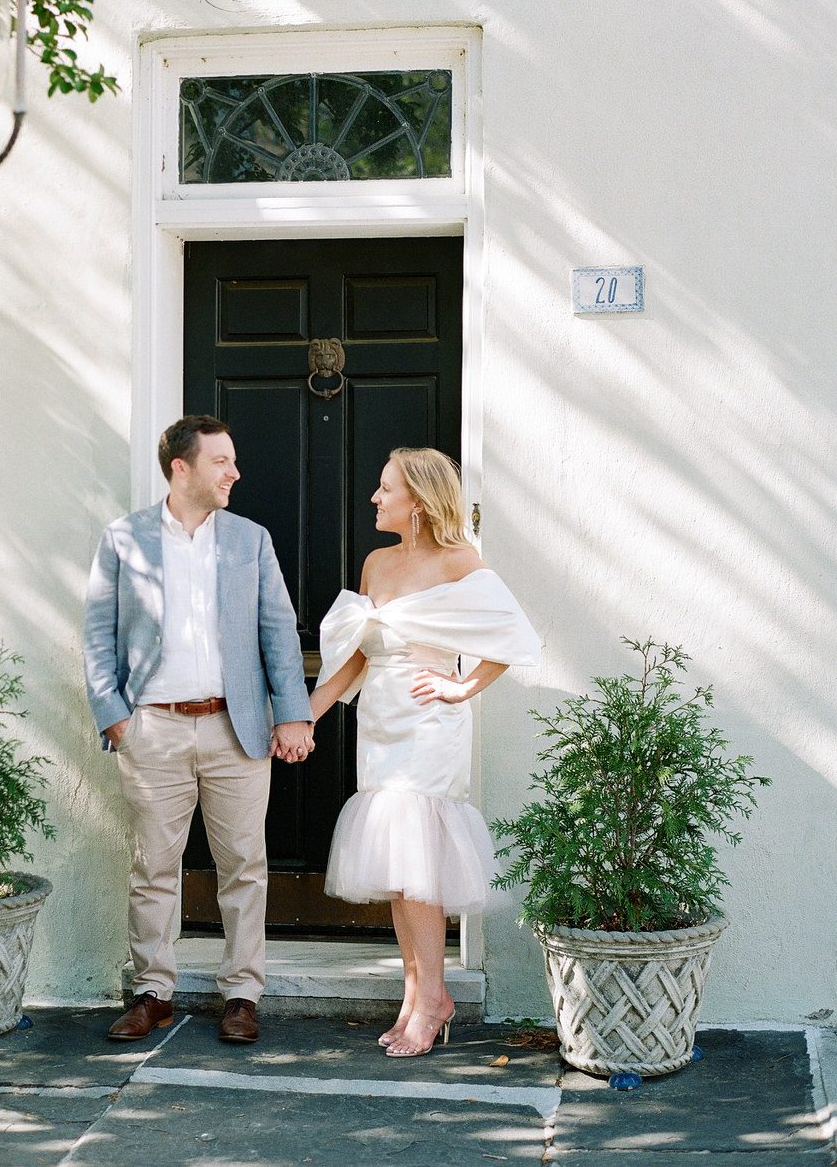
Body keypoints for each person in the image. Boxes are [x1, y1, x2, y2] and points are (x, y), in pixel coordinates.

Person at [83, 415, 315, 1045]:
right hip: (152, 730)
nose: (234, 473)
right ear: (180, 467)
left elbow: (278, 632)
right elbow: (98, 636)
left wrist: (293, 712)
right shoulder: (124, 538)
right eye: (221, 462)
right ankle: (153, 991)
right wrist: (116, 719)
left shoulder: (250, 540)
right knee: (153, 866)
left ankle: (241, 993)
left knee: (244, 864)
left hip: (234, 728)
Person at [310, 447, 540, 1058]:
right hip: (380, 721)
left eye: (385, 489)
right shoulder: (377, 563)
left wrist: (461, 686)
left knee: (420, 864)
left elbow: (512, 636)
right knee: (395, 864)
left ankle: (434, 997)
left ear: (417, 500)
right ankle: (416, 996)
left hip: (429, 725)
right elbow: (357, 654)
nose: (374, 498)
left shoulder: (461, 561)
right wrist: (304, 714)